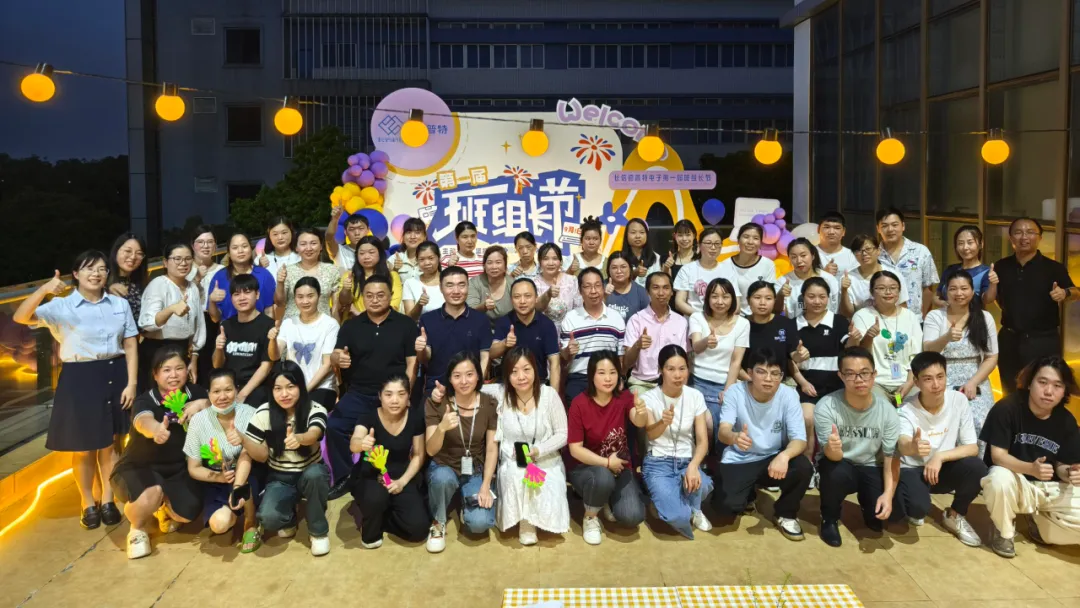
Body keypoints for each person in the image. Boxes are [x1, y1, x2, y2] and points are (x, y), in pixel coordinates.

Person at [14, 252, 139, 530]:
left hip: (114, 372)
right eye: (89, 268)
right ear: (76, 274)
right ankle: (87, 501)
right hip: (79, 377)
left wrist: (131, 383)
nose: (96, 274)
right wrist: (44, 290)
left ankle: (108, 500)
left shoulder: (119, 304)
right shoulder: (62, 305)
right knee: (84, 448)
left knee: (109, 444)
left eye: (102, 269)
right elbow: (21, 317)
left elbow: (130, 343)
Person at [110, 348, 209, 559]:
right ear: (155, 375)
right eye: (166, 370)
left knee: (188, 513)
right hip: (138, 467)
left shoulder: (196, 393)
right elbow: (142, 420)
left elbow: (221, 406)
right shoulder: (146, 400)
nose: (174, 375)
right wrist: (155, 430)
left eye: (179, 368)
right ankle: (137, 529)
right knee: (151, 493)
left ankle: (162, 507)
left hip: (176, 469)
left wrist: (204, 404)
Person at [980, 356, 1080, 557]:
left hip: (1049, 489)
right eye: (1042, 382)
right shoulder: (1007, 408)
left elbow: (1061, 465)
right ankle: (1004, 531)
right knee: (998, 478)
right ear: (1029, 383)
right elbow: (998, 456)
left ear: (1064, 391)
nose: (1049, 391)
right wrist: (1030, 469)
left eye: (1057, 386)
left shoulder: (1067, 421)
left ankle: (1043, 529)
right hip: (1016, 482)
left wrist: (1069, 473)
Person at [329, 274, 418, 498]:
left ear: (391, 296)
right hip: (359, 392)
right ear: (363, 297)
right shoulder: (351, 326)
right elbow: (336, 354)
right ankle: (345, 477)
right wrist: (338, 358)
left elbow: (412, 364)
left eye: (380, 295)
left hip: (393, 395)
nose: (375, 300)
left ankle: (403, 478)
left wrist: (405, 395)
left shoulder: (405, 324)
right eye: (369, 296)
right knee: (335, 426)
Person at [713, 348, 812, 541]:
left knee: (803, 467)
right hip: (740, 458)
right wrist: (734, 437)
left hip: (772, 458)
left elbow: (800, 440)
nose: (768, 379)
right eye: (761, 372)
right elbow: (723, 431)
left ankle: (786, 514)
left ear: (781, 376)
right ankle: (748, 494)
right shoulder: (735, 392)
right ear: (750, 373)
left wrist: (784, 456)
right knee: (724, 509)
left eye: (775, 373)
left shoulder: (789, 395)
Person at [893, 352, 985, 547]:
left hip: (940, 469)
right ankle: (911, 502)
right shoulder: (906, 410)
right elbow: (902, 443)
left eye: (940, 377)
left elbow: (972, 447)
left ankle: (955, 515)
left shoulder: (958, 400)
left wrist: (940, 457)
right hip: (913, 469)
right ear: (916, 382)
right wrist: (912, 446)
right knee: (917, 509)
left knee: (977, 468)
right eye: (928, 379)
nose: (936, 384)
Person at [240, 361, 331, 556]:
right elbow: (262, 455)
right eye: (278, 388)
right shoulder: (263, 413)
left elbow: (315, 433)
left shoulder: (315, 409)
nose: (284, 394)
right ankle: (290, 518)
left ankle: (318, 532)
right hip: (280, 476)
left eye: (291, 387)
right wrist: (244, 441)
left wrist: (300, 438)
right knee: (268, 518)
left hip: (310, 470)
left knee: (315, 476)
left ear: (301, 387)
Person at [814, 347, 901, 547]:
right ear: (840, 376)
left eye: (864, 373)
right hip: (840, 462)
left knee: (883, 517)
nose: (859, 379)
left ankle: (867, 505)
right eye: (850, 374)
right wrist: (833, 449)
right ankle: (829, 518)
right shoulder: (826, 406)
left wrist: (888, 495)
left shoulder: (887, 411)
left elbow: (891, 457)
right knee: (834, 472)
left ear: (874, 375)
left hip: (872, 465)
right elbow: (832, 456)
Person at [985, 217, 1078, 395]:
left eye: (1030, 232)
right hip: (1010, 339)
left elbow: (1075, 291)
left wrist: (1064, 293)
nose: (1024, 237)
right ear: (1011, 238)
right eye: (1018, 232)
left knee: (1043, 391)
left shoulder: (1053, 268)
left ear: (1039, 237)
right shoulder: (1001, 266)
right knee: (1010, 391)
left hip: (1043, 341)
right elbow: (995, 297)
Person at [489, 348, 570, 545]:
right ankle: (526, 522)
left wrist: (539, 450)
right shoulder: (501, 394)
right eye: (514, 371)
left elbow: (563, 434)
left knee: (548, 480)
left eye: (526, 369)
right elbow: (472, 388)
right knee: (517, 475)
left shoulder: (549, 395)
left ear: (535, 369)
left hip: (545, 458)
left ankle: (543, 519)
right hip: (513, 458)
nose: (521, 377)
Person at [567, 351, 648, 545]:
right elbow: (575, 449)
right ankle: (590, 517)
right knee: (603, 477)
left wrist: (641, 412)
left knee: (632, 516)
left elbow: (638, 421)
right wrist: (606, 462)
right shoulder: (579, 403)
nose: (608, 378)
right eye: (601, 373)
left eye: (612, 372)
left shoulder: (625, 398)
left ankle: (605, 498)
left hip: (620, 468)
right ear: (591, 375)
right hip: (587, 469)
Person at [424, 352, 499, 552]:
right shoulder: (438, 403)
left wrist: (485, 485)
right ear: (449, 379)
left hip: (475, 470)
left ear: (478, 376)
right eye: (457, 376)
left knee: (480, 524)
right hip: (444, 466)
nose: (464, 381)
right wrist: (441, 428)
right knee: (442, 479)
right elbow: (431, 450)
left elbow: (492, 448)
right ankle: (438, 521)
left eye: (469, 374)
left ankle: (466, 502)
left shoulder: (489, 404)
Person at [639, 345, 714, 538]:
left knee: (704, 485)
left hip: (686, 461)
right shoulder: (649, 398)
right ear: (660, 370)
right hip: (658, 462)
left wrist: (693, 466)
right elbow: (651, 435)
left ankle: (693, 509)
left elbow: (702, 441)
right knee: (678, 517)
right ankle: (668, 504)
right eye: (671, 369)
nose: (677, 375)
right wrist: (663, 423)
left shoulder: (695, 396)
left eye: (682, 368)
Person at [183, 369, 260, 553]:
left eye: (228, 390)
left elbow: (248, 455)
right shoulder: (198, 421)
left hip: (248, 473)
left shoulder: (250, 414)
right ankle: (234, 511)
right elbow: (193, 468)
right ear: (208, 394)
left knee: (244, 482)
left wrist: (237, 486)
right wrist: (220, 477)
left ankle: (250, 522)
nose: (223, 396)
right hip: (217, 479)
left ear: (237, 390)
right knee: (219, 524)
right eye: (216, 391)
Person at [349, 375, 429, 549]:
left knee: (419, 529)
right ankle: (372, 515)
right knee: (376, 502)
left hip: (401, 477)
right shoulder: (368, 418)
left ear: (408, 396)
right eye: (388, 394)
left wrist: (402, 482)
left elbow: (418, 455)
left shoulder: (415, 418)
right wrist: (362, 444)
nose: (395, 400)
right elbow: (354, 443)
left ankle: (382, 517)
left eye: (401, 394)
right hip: (372, 477)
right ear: (380, 396)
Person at [922, 270, 999, 439]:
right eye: (953, 289)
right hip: (941, 377)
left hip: (975, 378)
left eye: (964, 288)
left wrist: (973, 382)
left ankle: (977, 457)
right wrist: (946, 337)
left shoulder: (985, 317)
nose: (959, 293)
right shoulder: (935, 316)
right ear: (945, 292)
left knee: (979, 421)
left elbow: (991, 357)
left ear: (972, 291)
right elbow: (928, 351)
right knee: (945, 425)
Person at [791, 278, 850, 477]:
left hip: (836, 387)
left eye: (822, 297)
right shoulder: (793, 324)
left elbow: (850, 349)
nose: (817, 301)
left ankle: (832, 464)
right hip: (807, 386)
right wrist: (802, 380)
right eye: (811, 296)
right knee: (806, 418)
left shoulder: (839, 322)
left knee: (837, 420)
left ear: (829, 298)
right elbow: (788, 361)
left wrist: (857, 338)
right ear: (803, 298)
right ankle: (808, 465)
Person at [417, 266, 493, 392]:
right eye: (450, 285)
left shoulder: (481, 320)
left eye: (461, 285)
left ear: (468, 286)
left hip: (471, 389)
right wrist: (421, 349)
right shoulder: (427, 319)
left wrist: (477, 385)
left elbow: (485, 357)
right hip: (437, 389)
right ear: (441, 288)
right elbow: (424, 359)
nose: (456, 291)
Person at [689, 278, 749, 436]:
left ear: (733, 299)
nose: (720, 302)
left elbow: (736, 361)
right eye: (714, 296)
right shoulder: (697, 317)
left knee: (724, 426)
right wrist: (706, 341)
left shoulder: (743, 324)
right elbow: (696, 347)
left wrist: (728, 390)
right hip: (697, 381)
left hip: (724, 383)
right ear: (707, 298)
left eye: (725, 297)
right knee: (705, 424)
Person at [269, 277, 340, 409]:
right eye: (300, 297)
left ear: (319, 296)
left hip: (322, 388)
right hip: (292, 387)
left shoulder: (330, 324)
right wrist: (272, 340)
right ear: (294, 299)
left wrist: (304, 391)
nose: (305, 301)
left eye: (310, 296)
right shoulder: (288, 323)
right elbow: (274, 356)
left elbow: (327, 365)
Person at [140, 243, 205, 386]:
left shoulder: (192, 288)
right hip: (157, 351)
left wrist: (194, 359)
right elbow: (148, 323)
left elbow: (199, 326)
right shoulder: (157, 285)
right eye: (177, 259)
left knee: (181, 396)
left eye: (188, 259)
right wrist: (171, 309)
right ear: (165, 262)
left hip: (183, 351)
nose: (183, 263)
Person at [852, 271, 922, 403]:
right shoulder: (862, 316)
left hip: (907, 381)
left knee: (912, 407)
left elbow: (916, 354)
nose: (888, 292)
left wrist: (909, 382)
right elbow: (859, 354)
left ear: (899, 292)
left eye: (893, 288)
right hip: (875, 382)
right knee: (882, 409)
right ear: (872, 292)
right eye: (881, 288)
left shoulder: (910, 317)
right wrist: (869, 337)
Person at [560, 268, 626, 404]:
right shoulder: (571, 318)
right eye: (587, 286)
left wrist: (620, 377)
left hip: (609, 378)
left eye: (597, 285)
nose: (593, 291)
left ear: (603, 287)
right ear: (580, 291)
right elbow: (564, 359)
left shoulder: (616, 317)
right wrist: (568, 351)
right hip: (580, 378)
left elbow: (620, 356)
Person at [211, 274, 274, 407]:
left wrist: (242, 395)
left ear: (257, 294)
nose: (242, 298)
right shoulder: (226, 325)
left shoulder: (268, 325)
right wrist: (219, 349)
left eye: (247, 292)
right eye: (236, 294)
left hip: (256, 388)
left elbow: (266, 366)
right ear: (231, 298)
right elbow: (217, 365)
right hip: (228, 387)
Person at [624, 272, 689, 396]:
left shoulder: (681, 322)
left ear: (672, 292)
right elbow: (627, 363)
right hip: (642, 383)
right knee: (642, 407)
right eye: (655, 288)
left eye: (666, 288)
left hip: (672, 383)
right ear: (647, 292)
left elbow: (685, 360)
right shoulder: (636, 320)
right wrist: (637, 345)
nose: (661, 293)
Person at [491, 278, 561, 387]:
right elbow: (491, 353)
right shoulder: (503, 322)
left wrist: (553, 394)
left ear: (536, 298)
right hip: (508, 384)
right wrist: (504, 343)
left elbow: (555, 363)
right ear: (511, 300)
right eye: (517, 297)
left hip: (538, 383)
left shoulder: (547, 324)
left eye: (527, 296)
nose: (522, 301)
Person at [876, 207, 938, 317]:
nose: (890, 229)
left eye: (895, 225)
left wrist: (924, 317)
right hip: (881, 318)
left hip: (914, 319)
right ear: (878, 228)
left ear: (903, 226)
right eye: (884, 226)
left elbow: (928, 289)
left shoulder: (921, 251)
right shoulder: (873, 255)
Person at [274, 228, 342, 320]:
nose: (308, 248)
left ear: (321, 246)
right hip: (293, 324)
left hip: (322, 325)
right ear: (296, 247)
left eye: (313, 243)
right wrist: (280, 283)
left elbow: (335, 309)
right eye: (303, 244)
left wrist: (336, 326)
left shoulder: (332, 270)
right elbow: (280, 303)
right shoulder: (287, 271)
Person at [208, 234, 277, 323]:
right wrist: (212, 301)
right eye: (235, 248)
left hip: (260, 329)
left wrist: (270, 328)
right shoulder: (219, 278)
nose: (240, 251)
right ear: (228, 253)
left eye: (244, 246)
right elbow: (215, 318)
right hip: (229, 330)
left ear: (251, 249)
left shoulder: (264, 275)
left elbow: (269, 311)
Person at [745, 281, 805, 380]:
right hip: (747, 380)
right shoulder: (742, 324)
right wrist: (753, 382)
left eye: (768, 298)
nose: (762, 303)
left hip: (779, 381)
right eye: (757, 298)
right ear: (748, 300)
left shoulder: (785, 323)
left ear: (774, 300)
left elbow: (794, 356)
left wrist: (800, 355)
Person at [188, 226, 225, 385]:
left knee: (212, 370)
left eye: (210, 242)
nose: (206, 246)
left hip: (215, 323)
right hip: (190, 323)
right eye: (200, 242)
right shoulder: (184, 269)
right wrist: (196, 279)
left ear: (215, 245)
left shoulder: (223, 270)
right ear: (192, 245)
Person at [840, 233, 909, 317]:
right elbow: (848, 314)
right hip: (862, 322)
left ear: (878, 250)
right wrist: (844, 290)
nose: (864, 253)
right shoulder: (849, 278)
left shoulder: (893, 274)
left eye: (868, 249)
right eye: (858, 250)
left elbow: (902, 305)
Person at [719, 223, 777, 315]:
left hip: (758, 317)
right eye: (746, 237)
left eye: (756, 238)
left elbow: (769, 296)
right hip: (732, 317)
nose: (750, 242)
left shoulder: (768, 264)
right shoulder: (725, 265)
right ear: (738, 240)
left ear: (761, 243)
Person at [673, 227, 732, 316]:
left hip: (722, 320)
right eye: (708, 243)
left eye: (717, 243)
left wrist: (718, 318)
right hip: (694, 319)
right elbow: (679, 303)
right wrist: (702, 317)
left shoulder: (728, 270)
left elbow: (736, 303)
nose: (713, 247)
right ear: (699, 245)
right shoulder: (687, 269)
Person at [778, 237, 840, 318]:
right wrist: (780, 295)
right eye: (794, 257)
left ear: (813, 256)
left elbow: (835, 309)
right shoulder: (782, 281)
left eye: (803, 255)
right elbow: (776, 311)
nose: (799, 261)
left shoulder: (829, 279)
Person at [344, 235, 403, 316]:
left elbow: (394, 305)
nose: (366, 257)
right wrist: (345, 289)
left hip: (385, 321)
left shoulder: (392, 276)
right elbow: (344, 303)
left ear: (380, 253)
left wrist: (360, 314)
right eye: (362, 253)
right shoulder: (349, 276)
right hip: (355, 321)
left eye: (371, 252)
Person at [934, 225, 991, 307]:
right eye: (960, 243)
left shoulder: (986, 272)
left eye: (970, 242)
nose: (965, 247)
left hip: (973, 315)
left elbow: (987, 299)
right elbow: (937, 295)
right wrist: (943, 304)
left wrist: (993, 284)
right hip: (946, 314)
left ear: (981, 244)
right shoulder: (950, 270)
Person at [536, 243, 582, 325]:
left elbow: (578, 310)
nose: (550, 263)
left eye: (555, 258)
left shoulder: (572, 281)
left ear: (561, 262)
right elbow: (534, 309)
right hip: (542, 331)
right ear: (540, 262)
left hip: (569, 329)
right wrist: (548, 294)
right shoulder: (534, 283)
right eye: (546, 259)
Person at [467, 245, 513, 326]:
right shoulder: (474, 283)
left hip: (509, 328)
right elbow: (470, 312)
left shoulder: (513, 284)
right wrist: (484, 307)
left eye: (498, 262)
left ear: (505, 265)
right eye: (489, 263)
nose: (494, 267)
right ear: (484, 266)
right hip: (480, 327)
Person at [106, 232, 148, 322]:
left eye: (139, 253)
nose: (133, 257)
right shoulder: (102, 282)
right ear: (116, 251)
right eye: (128, 251)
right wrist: (106, 292)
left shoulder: (143, 284)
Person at [402, 241, 445, 320]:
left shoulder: (448, 279)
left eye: (431, 258)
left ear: (439, 258)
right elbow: (409, 318)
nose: (427, 263)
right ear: (417, 260)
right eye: (421, 259)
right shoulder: (410, 283)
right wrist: (419, 304)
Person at [604, 251, 650, 323]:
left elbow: (648, 319)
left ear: (630, 268)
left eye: (623, 267)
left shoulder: (641, 292)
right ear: (608, 270)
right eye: (614, 267)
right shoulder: (599, 288)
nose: (619, 271)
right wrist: (604, 296)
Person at [816, 212, 859, 276]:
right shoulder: (810, 253)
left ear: (844, 231)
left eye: (837, 228)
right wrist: (824, 274)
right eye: (827, 227)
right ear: (818, 229)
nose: (831, 232)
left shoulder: (852, 256)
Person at [622, 218, 661, 286]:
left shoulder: (656, 257)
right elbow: (618, 284)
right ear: (626, 235)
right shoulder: (620, 258)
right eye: (633, 232)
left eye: (642, 232)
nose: (638, 236)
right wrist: (634, 274)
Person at [387, 217, 427, 284]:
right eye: (408, 232)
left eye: (417, 233)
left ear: (424, 237)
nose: (412, 237)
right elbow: (386, 285)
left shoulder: (431, 259)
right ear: (403, 236)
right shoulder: (393, 259)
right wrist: (395, 270)